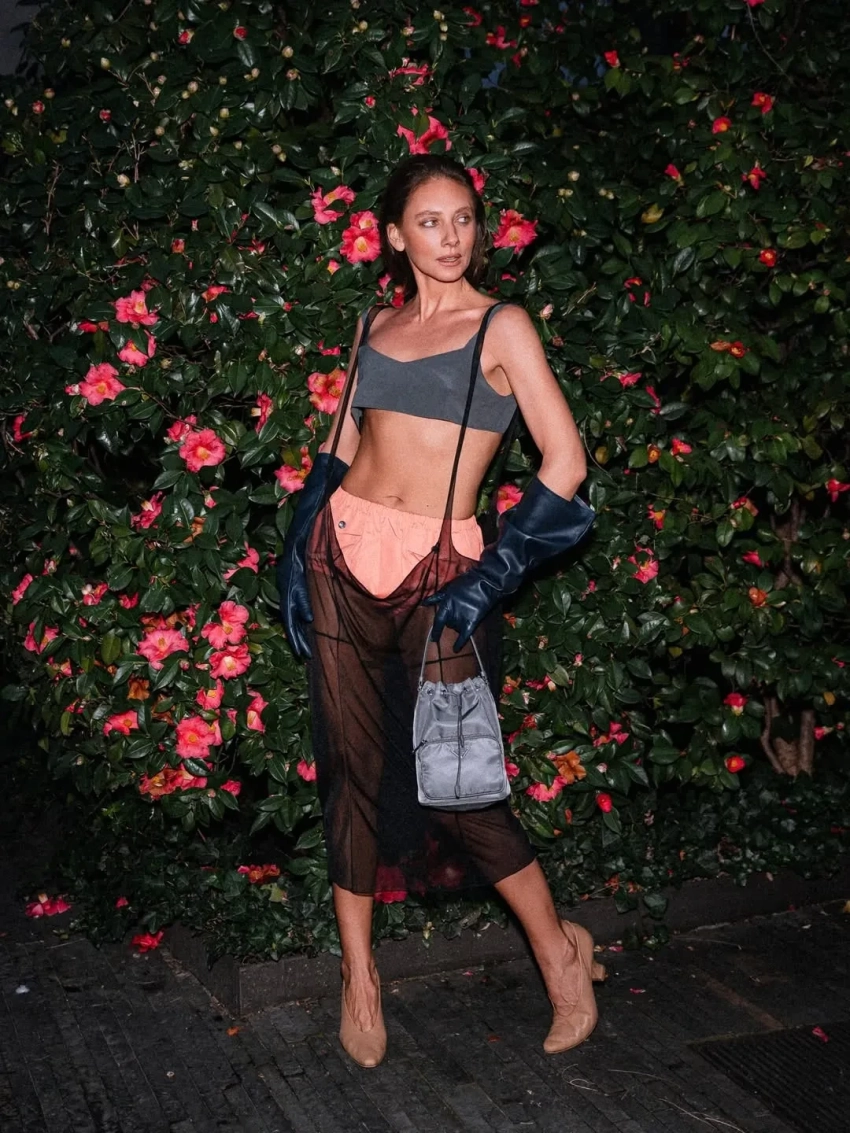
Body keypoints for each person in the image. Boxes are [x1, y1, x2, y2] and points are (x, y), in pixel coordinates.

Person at [278, 154, 602, 1069]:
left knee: (462, 788)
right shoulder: (374, 324)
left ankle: (560, 954)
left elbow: (566, 463)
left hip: (441, 571)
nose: (451, 237)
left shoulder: (501, 325)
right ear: (394, 235)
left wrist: (493, 574)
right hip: (342, 554)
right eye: (429, 221)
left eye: (463, 218)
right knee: (349, 772)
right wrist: (299, 543)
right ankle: (360, 978)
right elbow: (341, 442)